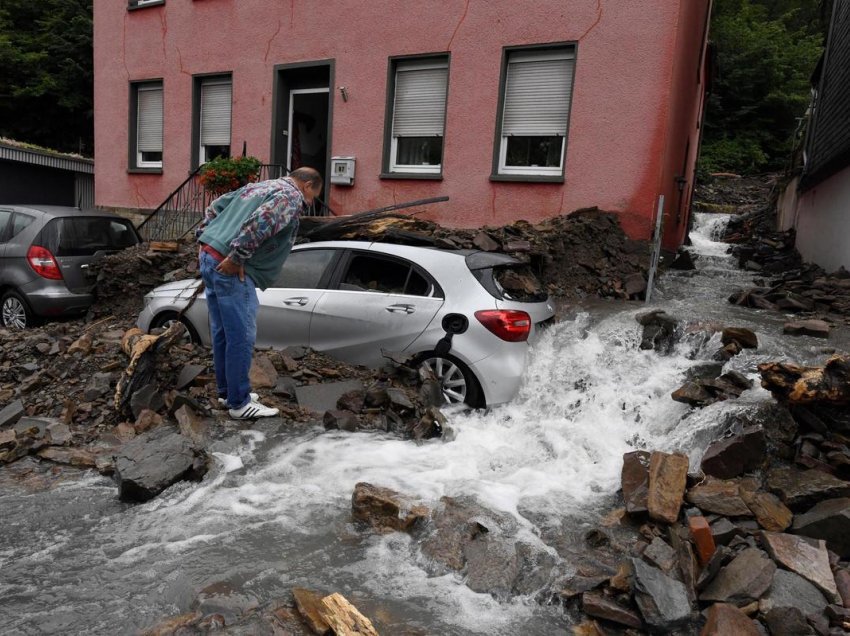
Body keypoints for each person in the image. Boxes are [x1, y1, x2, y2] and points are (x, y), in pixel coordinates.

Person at [196, 166, 323, 419]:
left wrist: (206, 238)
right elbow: (261, 222)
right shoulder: (290, 196)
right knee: (241, 335)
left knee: (223, 331)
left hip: (210, 258)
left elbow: (215, 206)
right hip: (230, 268)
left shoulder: (259, 186)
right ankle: (240, 404)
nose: (308, 203)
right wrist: (236, 257)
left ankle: (228, 392)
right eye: (312, 197)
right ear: (307, 185)